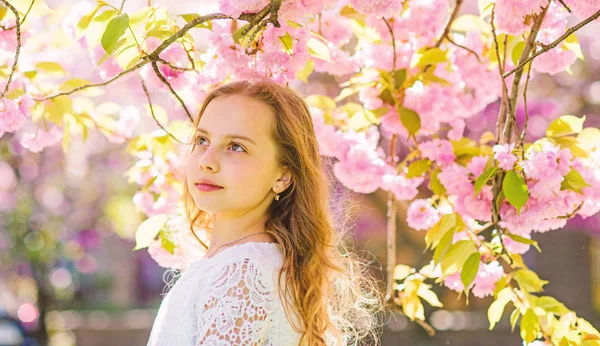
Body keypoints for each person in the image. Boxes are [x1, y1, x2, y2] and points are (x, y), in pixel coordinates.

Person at [146, 79, 387, 346]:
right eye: (202, 140)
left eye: (236, 146)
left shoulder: (241, 272)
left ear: (283, 175)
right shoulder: (245, 264)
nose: (206, 161)